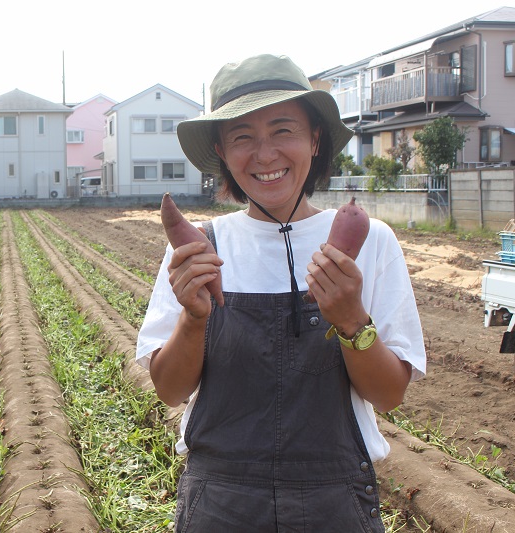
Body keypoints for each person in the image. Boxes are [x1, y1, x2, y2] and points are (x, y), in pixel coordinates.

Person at [136, 54, 426, 532]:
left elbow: (389, 394)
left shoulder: (369, 240)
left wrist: (351, 320)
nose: (265, 154)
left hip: (335, 503)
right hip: (220, 504)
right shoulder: (202, 247)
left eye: (283, 130)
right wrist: (193, 318)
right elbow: (170, 390)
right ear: (223, 153)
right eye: (242, 137)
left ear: (315, 140)